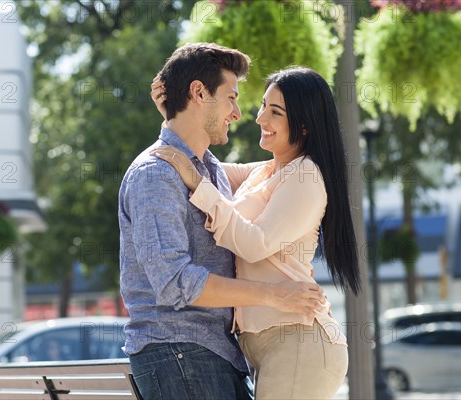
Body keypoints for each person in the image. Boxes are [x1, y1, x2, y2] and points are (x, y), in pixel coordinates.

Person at [119, 44, 327, 400]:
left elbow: (279, 171)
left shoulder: (208, 169)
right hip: (180, 352)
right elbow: (172, 281)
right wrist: (277, 295)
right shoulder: (156, 174)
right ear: (199, 93)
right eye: (231, 98)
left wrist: (174, 118)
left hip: (204, 354)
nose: (237, 113)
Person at [150, 65, 361, 399]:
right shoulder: (265, 171)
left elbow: (254, 243)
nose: (260, 118)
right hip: (270, 345)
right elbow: (202, 161)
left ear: (304, 125)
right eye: (263, 106)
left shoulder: (306, 176)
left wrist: (197, 184)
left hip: (298, 341)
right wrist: (177, 118)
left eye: (274, 112)